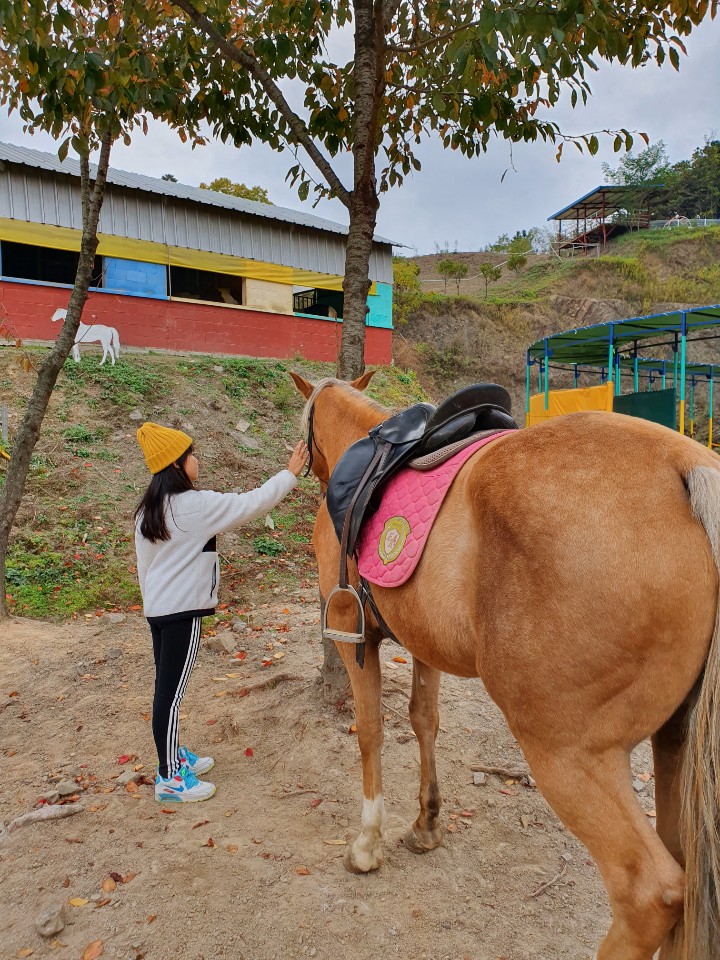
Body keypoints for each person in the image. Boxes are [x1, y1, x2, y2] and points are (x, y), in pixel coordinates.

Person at [134, 422, 308, 803]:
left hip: (159, 611)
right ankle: (169, 778)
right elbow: (250, 503)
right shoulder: (194, 506)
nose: (197, 460)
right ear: (177, 466)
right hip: (181, 612)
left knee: (166, 690)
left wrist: (153, 607)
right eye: (191, 454)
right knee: (170, 694)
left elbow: (144, 568)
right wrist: (289, 474)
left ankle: (173, 755)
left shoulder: (148, 509)